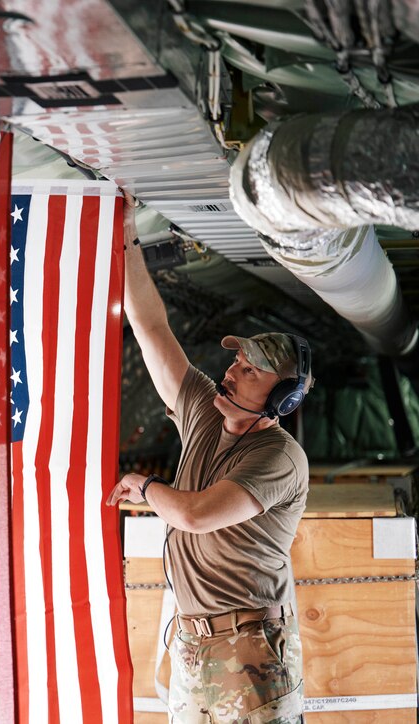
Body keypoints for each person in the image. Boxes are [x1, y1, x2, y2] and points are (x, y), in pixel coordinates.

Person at [106, 193, 312, 723]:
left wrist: (144, 486)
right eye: (238, 360)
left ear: (281, 399)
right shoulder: (203, 408)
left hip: (250, 654)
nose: (233, 370)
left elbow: (196, 515)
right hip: (194, 647)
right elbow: (152, 326)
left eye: (252, 371)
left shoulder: (278, 457)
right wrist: (124, 234)